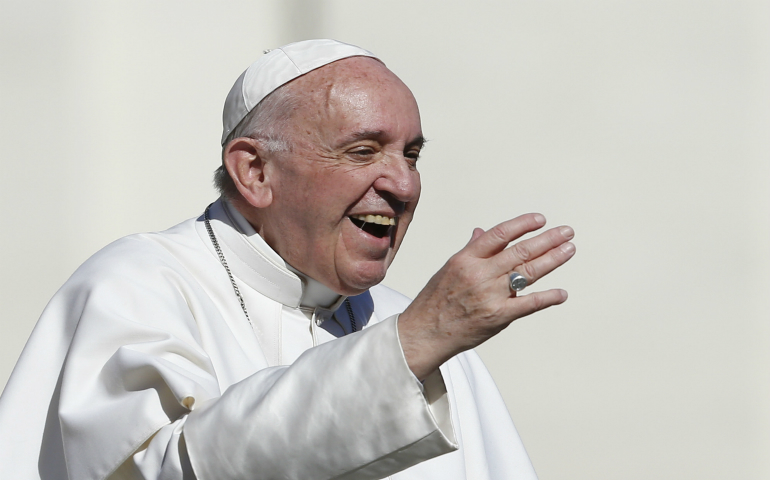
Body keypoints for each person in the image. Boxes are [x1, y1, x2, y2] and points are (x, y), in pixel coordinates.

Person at [0, 39, 576, 479]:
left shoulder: (422, 331)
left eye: (412, 154)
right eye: (363, 150)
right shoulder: (140, 285)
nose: (403, 183)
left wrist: (418, 338)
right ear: (255, 171)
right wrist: (410, 345)